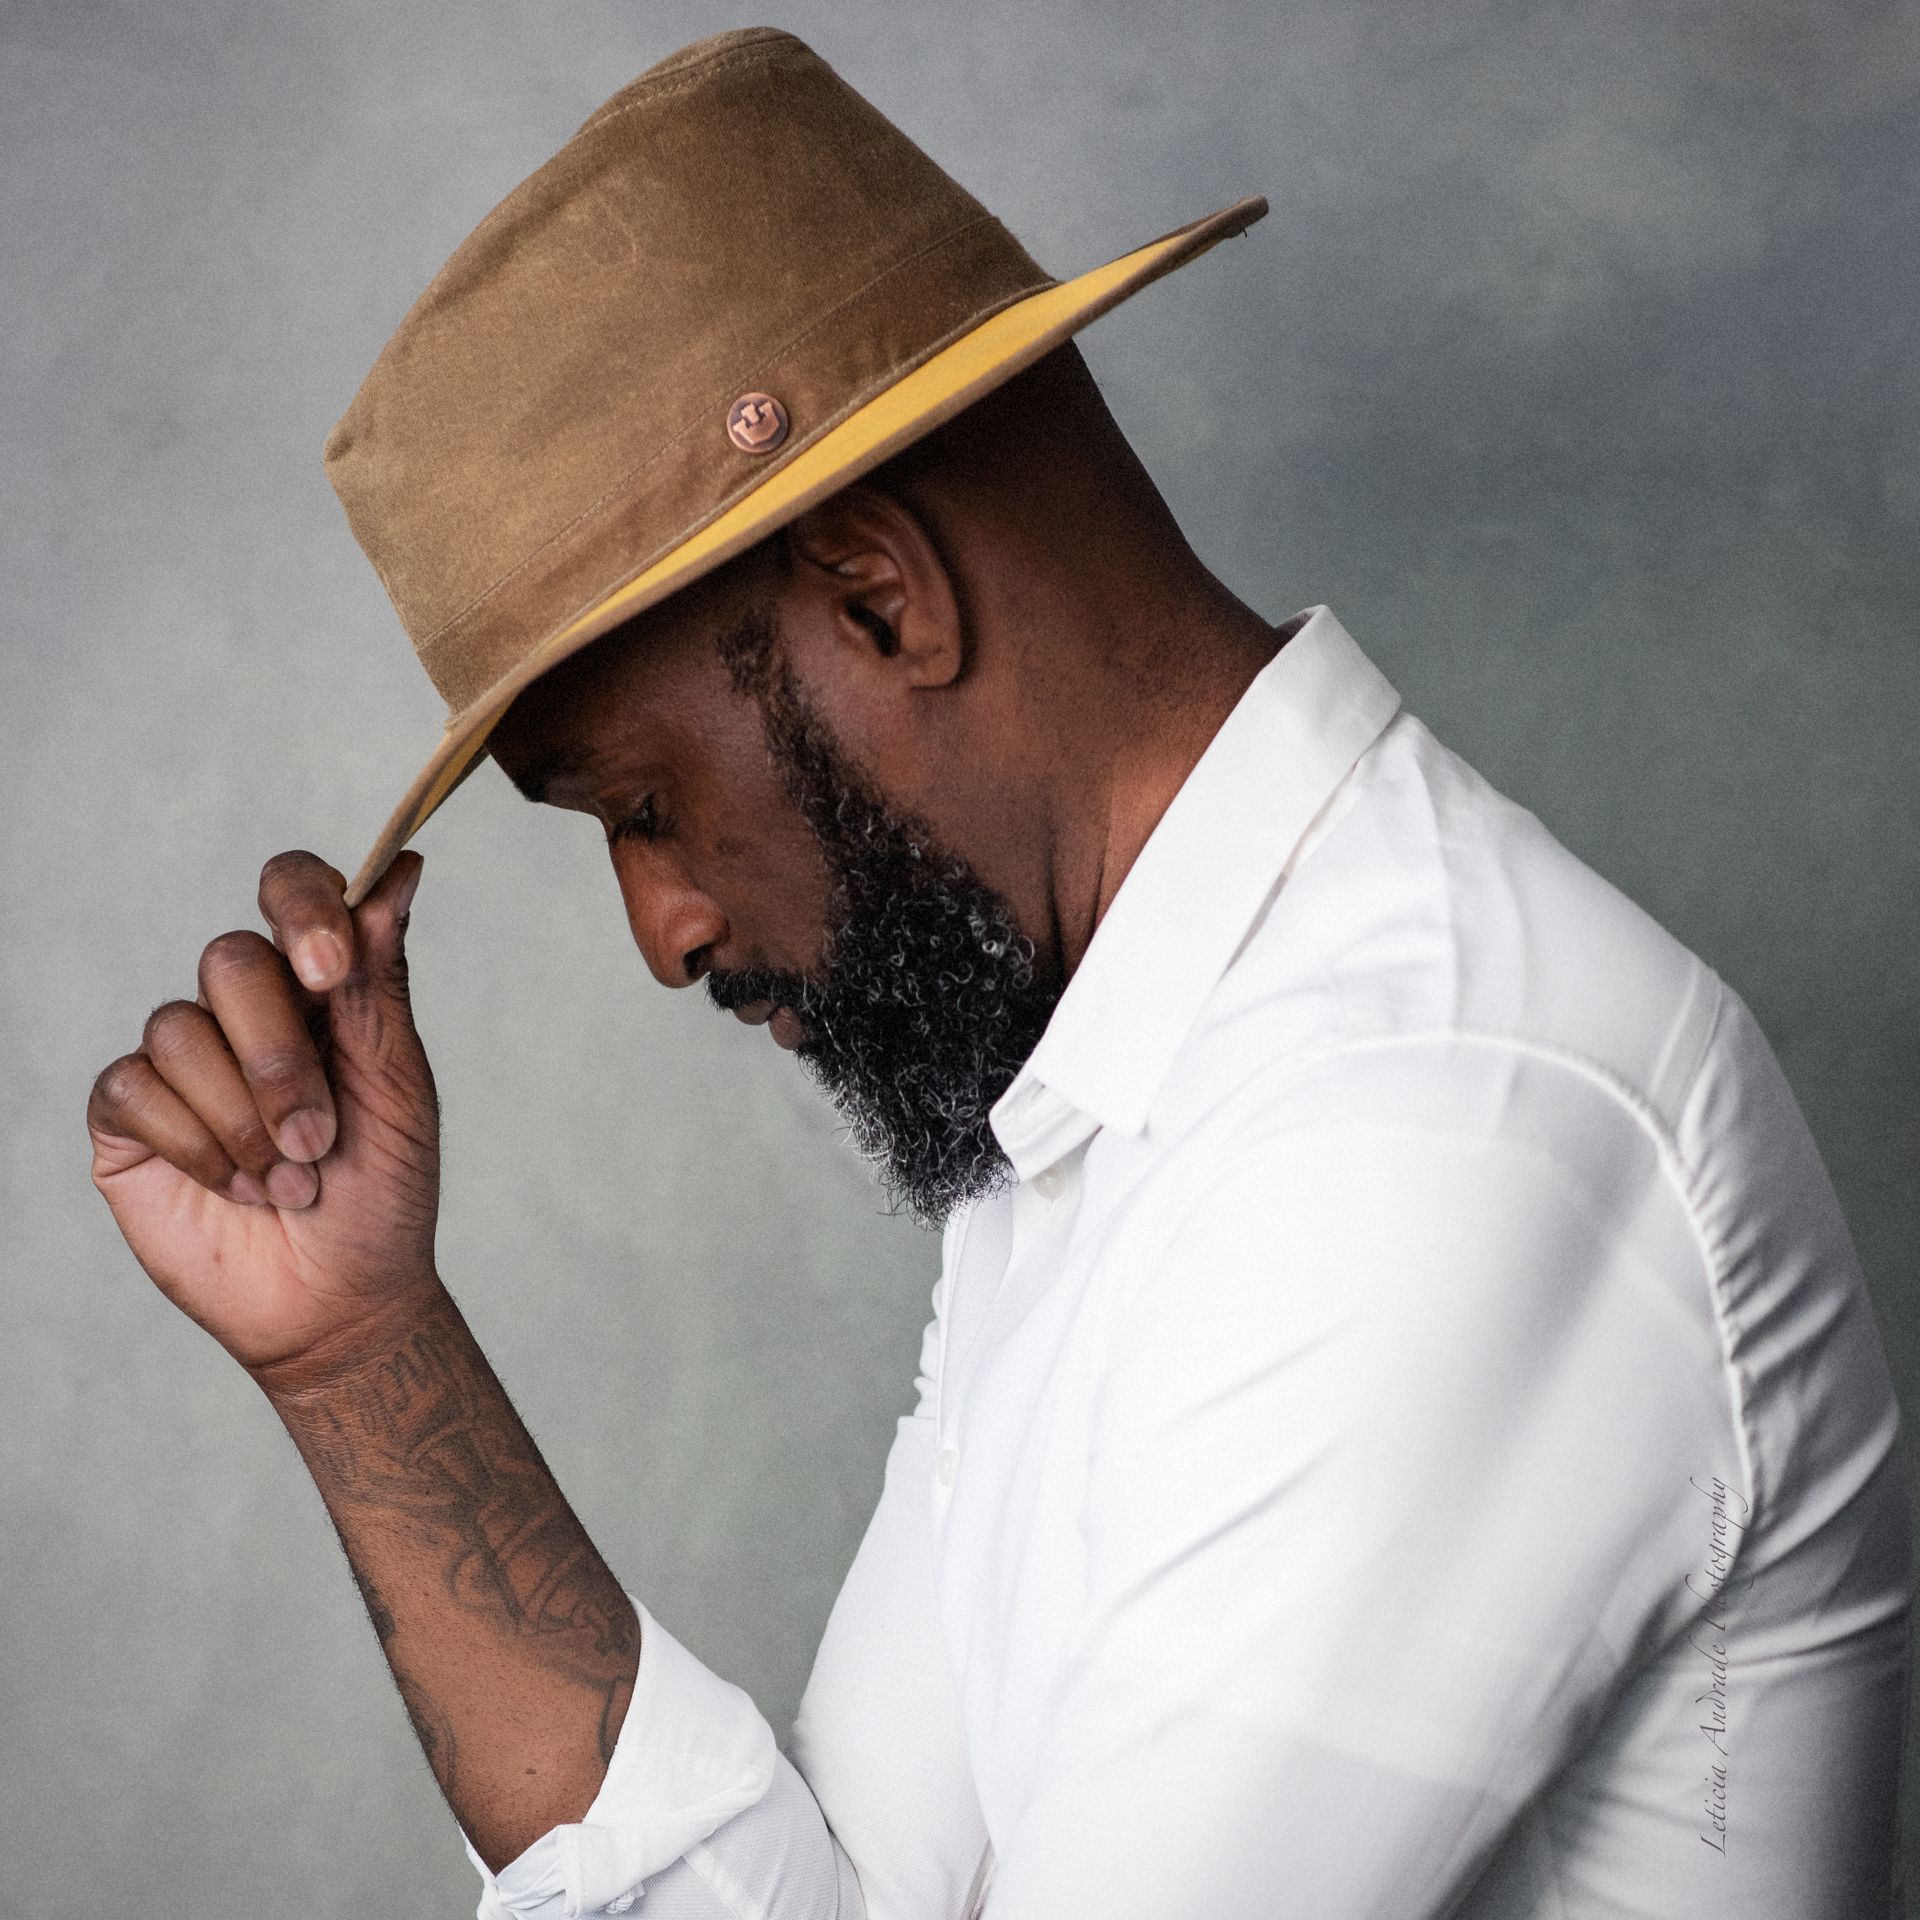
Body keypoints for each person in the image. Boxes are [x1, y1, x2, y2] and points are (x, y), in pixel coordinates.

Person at [84, 27, 1909, 1920]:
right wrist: (363, 1357)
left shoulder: (1434, 1128)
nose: (662, 933)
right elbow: (843, 1901)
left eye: (643, 804)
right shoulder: (1106, 1106)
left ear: (884, 598)